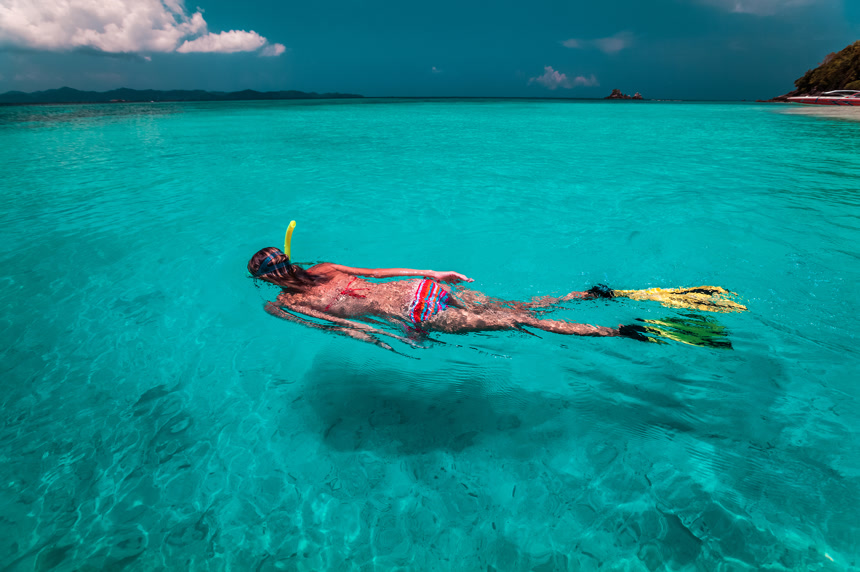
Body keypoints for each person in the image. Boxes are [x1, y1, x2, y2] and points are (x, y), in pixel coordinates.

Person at [247, 246, 647, 352]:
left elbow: (344, 326)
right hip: (425, 291)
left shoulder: (283, 305)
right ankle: (583, 295)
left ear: (265, 280)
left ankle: (616, 332)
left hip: (412, 310)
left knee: (520, 321)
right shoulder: (325, 267)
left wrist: (390, 337)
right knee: (517, 307)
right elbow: (378, 274)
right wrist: (431, 274)